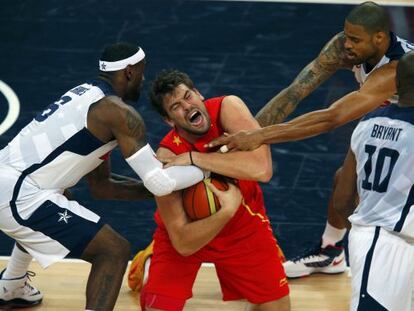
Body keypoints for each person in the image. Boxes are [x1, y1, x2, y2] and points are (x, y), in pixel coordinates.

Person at [206, 1, 414, 278]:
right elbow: (295, 92)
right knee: (344, 183)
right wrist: (244, 137)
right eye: (346, 35)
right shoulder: (342, 48)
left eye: (355, 39)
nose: (347, 44)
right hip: (394, 120)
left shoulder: (395, 69)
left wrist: (260, 136)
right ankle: (331, 251)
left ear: (379, 37)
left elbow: (332, 118)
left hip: (406, 130)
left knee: (395, 207)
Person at [0, 42, 208, 310]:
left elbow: (102, 187)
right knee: (113, 251)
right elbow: (160, 182)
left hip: (14, 184)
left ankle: (12, 284)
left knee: (57, 196)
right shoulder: (120, 114)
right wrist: (206, 167)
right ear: (130, 72)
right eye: (142, 73)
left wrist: (163, 188)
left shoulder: (85, 95)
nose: (143, 80)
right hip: (16, 194)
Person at [135, 69, 290, 311]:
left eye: (188, 96)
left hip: (244, 227)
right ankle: (150, 262)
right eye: (176, 106)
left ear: (199, 94)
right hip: (188, 235)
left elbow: (262, 169)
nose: (187, 106)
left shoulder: (228, 108)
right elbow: (183, 243)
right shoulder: (166, 157)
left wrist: (195, 158)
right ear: (169, 120)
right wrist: (224, 212)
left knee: (276, 309)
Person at [333, 51, 414, 311]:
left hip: (374, 239)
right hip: (386, 246)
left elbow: (343, 199)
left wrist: (361, 230)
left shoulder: (368, 122)